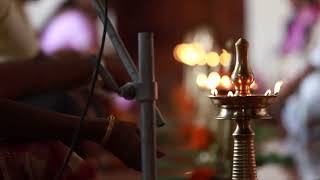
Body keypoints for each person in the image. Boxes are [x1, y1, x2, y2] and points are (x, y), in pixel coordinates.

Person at [0, 0, 147, 179]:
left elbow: (39, 64)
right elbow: (35, 68)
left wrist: (91, 71)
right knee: (60, 104)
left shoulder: (16, 8)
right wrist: (100, 130)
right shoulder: (73, 21)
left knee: (76, 98)